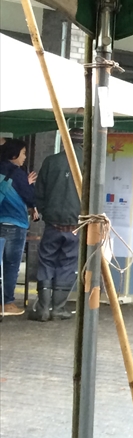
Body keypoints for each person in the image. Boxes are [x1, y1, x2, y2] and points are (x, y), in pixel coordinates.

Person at [28, 127, 84, 321]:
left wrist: (45, 212)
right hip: (76, 225)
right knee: (68, 264)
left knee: (46, 261)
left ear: (64, 141)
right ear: (84, 143)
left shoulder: (50, 161)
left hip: (52, 224)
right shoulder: (89, 163)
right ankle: (58, 308)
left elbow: (39, 193)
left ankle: (43, 308)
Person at [0, 138, 39, 316]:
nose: (24, 157)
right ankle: (7, 302)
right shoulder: (17, 173)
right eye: (23, 153)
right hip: (15, 224)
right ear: (14, 154)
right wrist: (28, 184)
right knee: (11, 265)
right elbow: (31, 197)